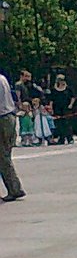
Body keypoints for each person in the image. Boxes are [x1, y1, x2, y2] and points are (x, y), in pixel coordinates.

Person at [0, 69, 24, 202]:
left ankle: (15, 189)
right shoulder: (3, 78)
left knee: (3, 158)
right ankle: (14, 188)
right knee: (5, 156)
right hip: (9, 117)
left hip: (2, 119)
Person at [49, 75, 76, 144]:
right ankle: (61, 138)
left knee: (67, 123)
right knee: (59, 124)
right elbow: (51, 99)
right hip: (57, 108)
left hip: (66, 108)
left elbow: (73, 97)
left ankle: (70, 138)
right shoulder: (54, 89)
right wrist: (51, 107)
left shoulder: (68, 88)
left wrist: (71, 104)